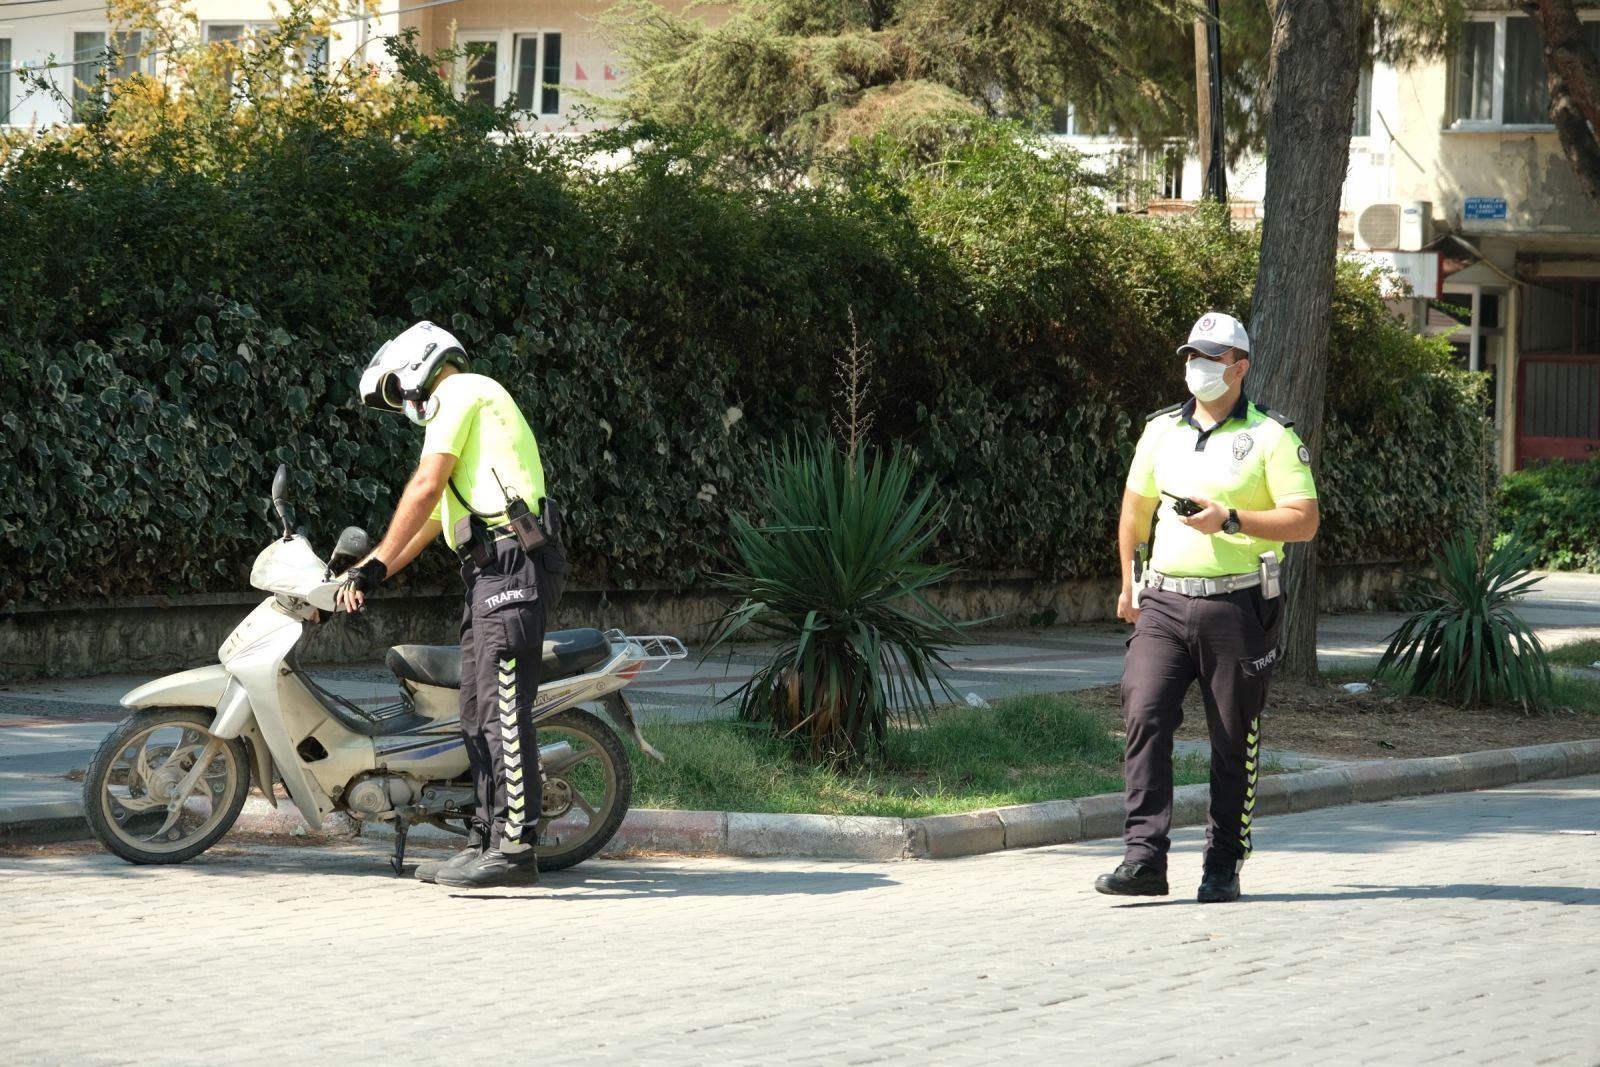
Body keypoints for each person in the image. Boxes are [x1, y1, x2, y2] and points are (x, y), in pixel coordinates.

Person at [1095, 311, 1319, 904]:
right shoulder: (1161, 430)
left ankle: (1223, 862)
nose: (1197, 367)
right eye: (1192, 355)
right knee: (1144, 715)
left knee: (1232, 737)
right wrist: (1127, 582)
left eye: (1212, 359)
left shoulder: (1273, 435)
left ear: (1239, 368)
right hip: (1164, 600)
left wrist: (1233, 519)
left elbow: (1305, 519)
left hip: (1239, 605)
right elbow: (1134, 511)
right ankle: (1144, 859)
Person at [338, 320, 567, 889]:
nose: (405, 405)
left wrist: (371, 565)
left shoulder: (460, 391)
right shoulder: (466, 411)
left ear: (419, 365)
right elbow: (430, 518)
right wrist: (374, 571)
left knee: (500, 708)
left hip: (514, 562)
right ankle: (486, 839)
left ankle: (515, 849)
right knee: (475, 709)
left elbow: (423, 485)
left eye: (398, 390)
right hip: (490, 568)